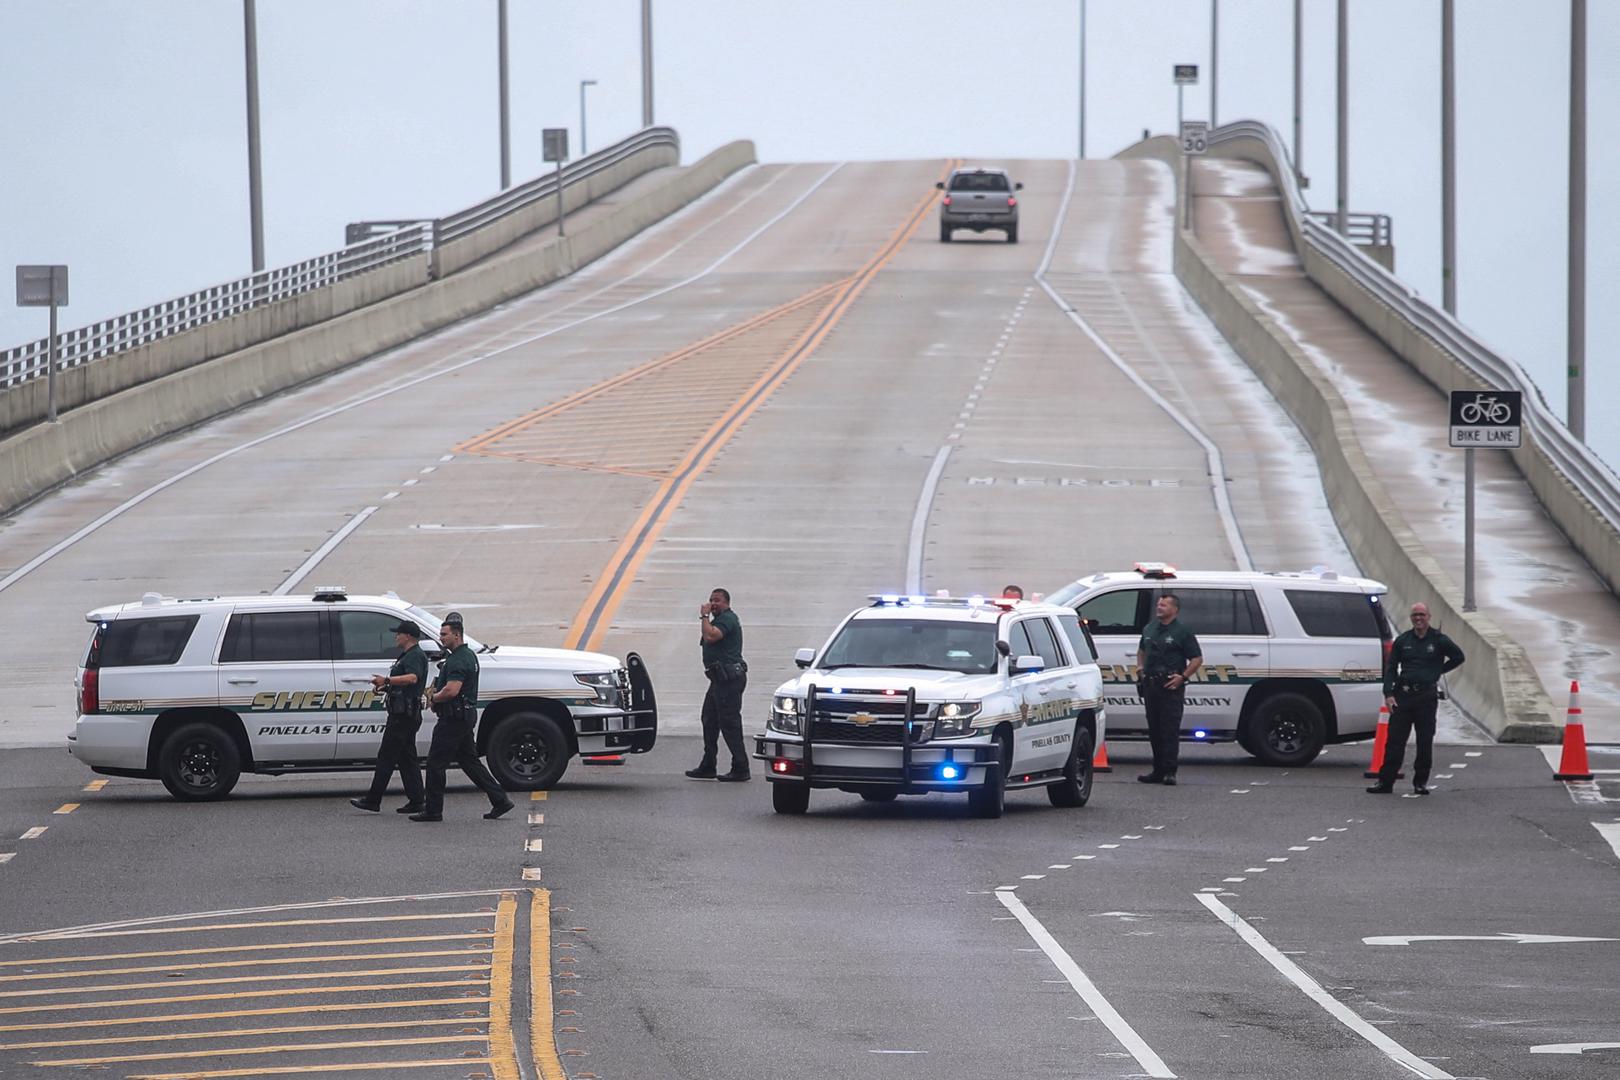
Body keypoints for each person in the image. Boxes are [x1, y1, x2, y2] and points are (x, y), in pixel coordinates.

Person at [411, 613, 514, 822]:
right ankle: (500, 800)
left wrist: (432, 698)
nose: (441, 638)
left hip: (453, 719)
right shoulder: (466, 656)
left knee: (435, 763)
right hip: (463, 716)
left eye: (444, 635)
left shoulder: (458, 659)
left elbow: (452, 690)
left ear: (456, 636)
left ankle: (433, 810)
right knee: (469, 762)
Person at [1369, 602, 1465, 796]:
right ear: (1411, 618)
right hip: (1403, 696)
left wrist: (1438, 671)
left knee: (1424, 741)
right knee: (1395, 742)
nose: (1418, 618)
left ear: (1428, 617)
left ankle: (1420, 782)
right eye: (1415, 615)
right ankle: (1385, 782)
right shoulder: (1403, 641)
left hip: (1426, 698)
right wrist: (1388, 693)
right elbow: (1391, 668)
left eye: (1421, 615)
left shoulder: (1439, 640)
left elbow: (1458, 657)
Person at [349, 619, 427, 814]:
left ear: (408, 636)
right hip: (404, 713)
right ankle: (418, 800)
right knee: (406, 758)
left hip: (403, 716)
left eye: (399, 633)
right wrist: (386, 687)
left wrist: (387, 679)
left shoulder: (414, 656)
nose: (396, 636)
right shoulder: (408, 655)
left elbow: (412, 678)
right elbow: (405, 683)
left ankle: (373, 800)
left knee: (386, 757)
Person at [1136, 592, 1202, 786]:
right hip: (1151, 685)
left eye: (1164, 605)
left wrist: (1183, 677)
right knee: (1154, 729)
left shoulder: (1182, 631)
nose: (1159, 607)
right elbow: (1141, 650)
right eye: (1159, 604)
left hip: (1170, 686)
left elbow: (1197, 659)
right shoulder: (1150, 629)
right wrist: (1140, 668)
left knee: (1169, 729)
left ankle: (1169, 771)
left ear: (1175, 609)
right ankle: (1157, 770)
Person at [685, 588, 750, 782]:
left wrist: (704, 615)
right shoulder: (718, 619)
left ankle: (741, 767)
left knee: (729, 723)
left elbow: (711, 636)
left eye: (718, 601)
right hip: (718, 679)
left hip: (729, 679)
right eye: (711, 600)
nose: (713, 604)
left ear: (727, 603)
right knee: (709, 720)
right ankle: (708, 764)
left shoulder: (727, 619)